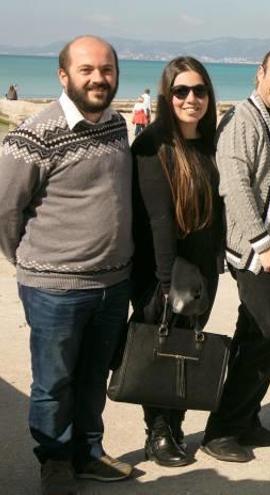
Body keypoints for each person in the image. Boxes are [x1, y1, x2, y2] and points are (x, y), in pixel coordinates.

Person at [0, 35, 133, 493]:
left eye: (107, 69)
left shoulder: (117, 124)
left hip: (113, 284)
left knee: (94, 376)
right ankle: (54, 461)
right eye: (87, 70)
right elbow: (5, 210)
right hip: (54, 288)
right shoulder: (32, 135)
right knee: (53, 382)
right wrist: (31, 262)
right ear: (64, 76)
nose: (99, 78)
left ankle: (89, 452)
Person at [201, 47, 270, 463]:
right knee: (269, 331)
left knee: (256, 334)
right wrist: (262, 242)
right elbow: (235, 185)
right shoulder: (244, 118)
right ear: (259, 74)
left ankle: (244, 421)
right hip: (258, 243)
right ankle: (221, 431)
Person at [130, 56, 223, 467]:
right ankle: (158, 432)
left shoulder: (208, 143)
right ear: (167, 96)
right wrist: (167, 284)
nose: (191, 98)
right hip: (161, 271)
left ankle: (176, 424)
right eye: (181, 91)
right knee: (159, 348)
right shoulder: (152, 145)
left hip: (200, 270)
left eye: (199, 90)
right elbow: (157, 221)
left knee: (185, 348)